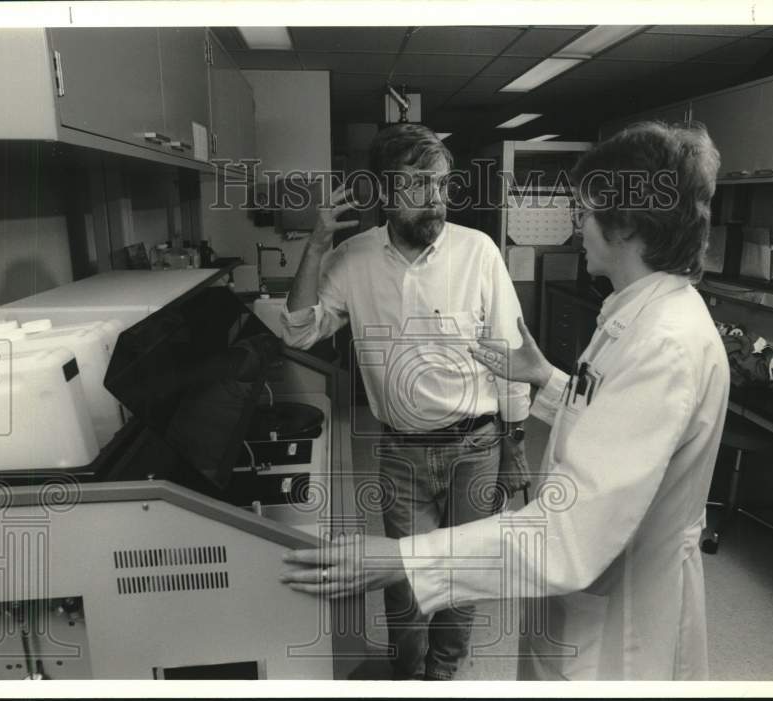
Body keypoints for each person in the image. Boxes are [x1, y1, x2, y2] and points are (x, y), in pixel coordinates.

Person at [280, 121, 730, 681]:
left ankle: (442, 674)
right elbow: (611, 419)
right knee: (419, 602)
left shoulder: (663, 342)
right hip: (412, 455)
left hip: (622, 622)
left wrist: (395, 558)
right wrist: (544, 376)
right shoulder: (635, 317)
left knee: (452, 595)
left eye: (586, 211)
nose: (576, 225)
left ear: (629, 223)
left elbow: (567, 538)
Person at [279, 123, 532, 681]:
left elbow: (510, 353)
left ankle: (443, 676)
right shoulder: (352, 259)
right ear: (385, 193)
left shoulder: (479, 253)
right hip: (401, 453)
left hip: (477, 446)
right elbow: (297, 332)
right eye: (418, 185)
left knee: (463, 575)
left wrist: (515, 446)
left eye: (441, 184)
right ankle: (407, 676)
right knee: (407, 584)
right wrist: (316, 245)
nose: (435, 200)